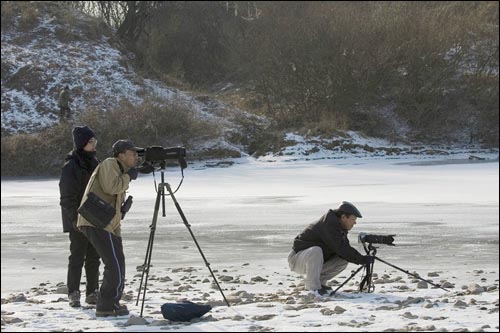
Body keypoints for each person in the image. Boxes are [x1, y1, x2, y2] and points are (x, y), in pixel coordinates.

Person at [77, 139, 141, 317]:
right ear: (121, 155)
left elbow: (115, 201)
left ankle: (113, 302)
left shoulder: (120, 170)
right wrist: (130, 176)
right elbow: (111, 187)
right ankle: (105, 306)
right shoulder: (110, 163)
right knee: (113, 264)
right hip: (95, 221)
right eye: (132, 153)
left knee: (118, 262)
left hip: (107, 224)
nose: (136, 156)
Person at [288, 201, 374, 296]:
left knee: (343, 260)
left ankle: (320, 282)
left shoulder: (340, 228)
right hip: (296, 259)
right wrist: (362, 259)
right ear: (343, 217)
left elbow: (345, 249)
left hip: (312, 261)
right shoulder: (329, 225)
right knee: (316, 251)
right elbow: (340, 247)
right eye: (353, 219)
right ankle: (313, 288)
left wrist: (361, 258)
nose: (355, 222)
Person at [59, 126, 101, 307]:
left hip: (94, 217)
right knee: (77, 255)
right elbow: (66, 197)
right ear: (82, 143)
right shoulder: (71, 165)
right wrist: (75, 219)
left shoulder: (95, 162)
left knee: (94, 256)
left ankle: (92, 292)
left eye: (94, 142)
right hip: (76, 217)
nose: (94, 145)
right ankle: (73, 292)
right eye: (91, 142)